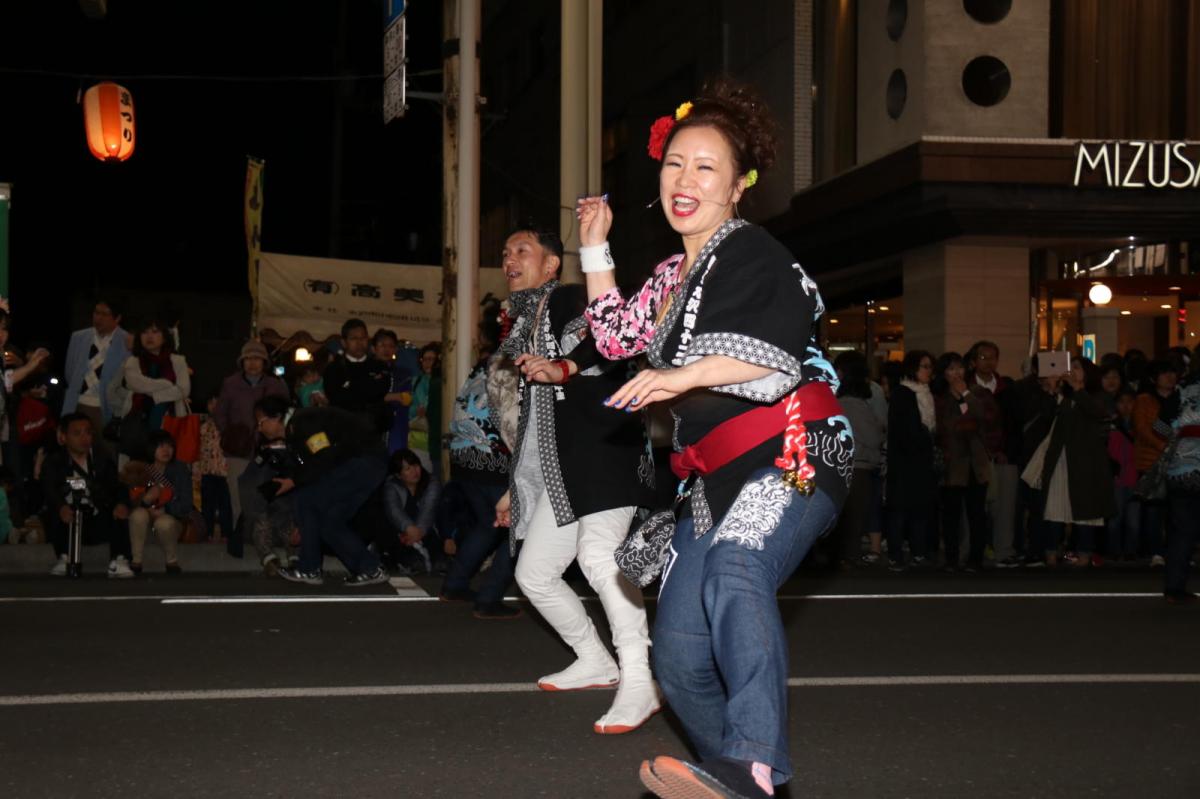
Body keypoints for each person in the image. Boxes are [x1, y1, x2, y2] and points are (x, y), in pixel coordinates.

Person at [578, 82, 852, 797]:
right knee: (677, 659)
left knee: (737, 565)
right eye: (674, 164)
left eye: (705, 167)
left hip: (794, 450)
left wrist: (678, 376)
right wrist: (594, 246)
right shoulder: (672, 276)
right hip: (713, 478)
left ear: (737, 187)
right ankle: (729, 780)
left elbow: (769, 360)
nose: (685, 179)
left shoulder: (756, 253)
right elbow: (614, 336)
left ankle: (751, 763)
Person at [495, 221, 658, 735]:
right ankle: (595, 659)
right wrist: (516, 487)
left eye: (521, 250)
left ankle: (641, 678)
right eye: (505, 253)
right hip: (564, 470)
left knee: (597, 557)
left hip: (606, 450)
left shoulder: (565, 298)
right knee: (534, 574)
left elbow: (606, 337)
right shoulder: (526, 322)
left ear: (550, 265)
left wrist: (564, 368)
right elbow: (538, 421)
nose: (509, 260)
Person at [439, 316, 522, 619]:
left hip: (464, 456)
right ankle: (489, 598)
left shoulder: (484, 363)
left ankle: (455, 584)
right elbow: (511, 419)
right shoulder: (512, 362)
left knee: (488, 524)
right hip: (493, 458)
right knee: (519, 530)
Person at [257, 397, 389, 587]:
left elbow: (323, 457)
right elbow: (317, 466)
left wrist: (293, 482)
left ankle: (309, 568)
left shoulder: (303, 422)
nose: (259, 428)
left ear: (276, 417)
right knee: (329, 521)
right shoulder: (297, 431)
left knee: (305, 499)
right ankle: (370, 568)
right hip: (368, 464)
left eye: (261, 422)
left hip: (363, 460)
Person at [1033, 358, 1115, 567]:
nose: (1072, 371)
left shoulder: (1098, 396)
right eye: (1071, 368)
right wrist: (1051, 391)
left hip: (1086, 463)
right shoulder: (1064, 396)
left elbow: (1097, 413)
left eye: (1077, 368)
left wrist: (1078, 389)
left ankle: (1084, 553)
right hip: (1060, 460)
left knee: (1086, 510)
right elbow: (1045, 419)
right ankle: (1051, 552)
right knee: (1054, 508)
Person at [42, 413, 133, 577]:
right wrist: (61, 506)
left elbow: (117, 487)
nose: (84, 438)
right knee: (55, 510)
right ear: (63, 437)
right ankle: (64, 557)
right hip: (69, 519)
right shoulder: (54, 462)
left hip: (96, 516)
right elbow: (49, 489)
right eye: (77, 434)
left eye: (88, 432)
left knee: (119, 510)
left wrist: (121, 504)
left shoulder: (102, 460)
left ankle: (119, 559)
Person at [214, 340, 289, 531]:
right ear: (242, 361)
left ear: (264, 362)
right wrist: (230, 435)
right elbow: (220, 413)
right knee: (238, 495)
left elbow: (285, 415)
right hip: (239, 449)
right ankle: (240, 535)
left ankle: (266, 534)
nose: (252, 363)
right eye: (248, 358)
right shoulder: (230, 383)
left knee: (266, 493)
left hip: (269, 449)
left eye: (257, 358)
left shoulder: (275, 385)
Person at [933, 352, 991, 571]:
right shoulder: (940, 398)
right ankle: (951, 558)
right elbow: (947, 427)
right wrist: (965, 421)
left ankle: (976, 558)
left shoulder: (977, 393)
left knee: (977, 514)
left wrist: (965, 394)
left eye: (959, 368)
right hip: (952, 463)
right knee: (951, 515)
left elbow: (981, 416)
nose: (956, 373)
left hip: (975, 463)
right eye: (951, 369)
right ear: (944, 373)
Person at [967, 340, 1021, 567]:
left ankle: (1003, 551)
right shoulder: (966, 387)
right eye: (983, 357)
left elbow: (1014, 424)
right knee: (972, 508)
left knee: (1004, 507)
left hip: (1003, 456)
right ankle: (970, 551)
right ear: (973, 361)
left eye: (992, 357)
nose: (988, 362)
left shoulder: (1007, 388)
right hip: (973, 456)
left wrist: (1004, 450)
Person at [885, 350, 938, 571]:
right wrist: (925, 436)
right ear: (913, 368)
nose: (929, 371)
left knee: (919, 509)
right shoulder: (903, 393)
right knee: (900, 510)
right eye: (924, 366)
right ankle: (895, 555)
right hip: (904, 462)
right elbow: (906, 431)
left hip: (921, 463)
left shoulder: (926, 394)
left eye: (930, 367)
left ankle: (918, 552)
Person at [833, 352, 885, 566]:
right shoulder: (857, 403)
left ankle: (842, 557)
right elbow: (874, 437)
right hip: (858, 465)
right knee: (855, 516)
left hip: (844, 463)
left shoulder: (840, 401)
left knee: (846, 516)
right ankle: (849, 557)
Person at [61, 299, 129, 463]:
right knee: (74, 453)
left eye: (105, 314)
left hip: (107, 407)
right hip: (78, 403)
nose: (99, 318)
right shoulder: (79, 337)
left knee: (107, 453)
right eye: (96, 313)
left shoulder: (127, 341)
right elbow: (70, 371)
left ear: (117, 318)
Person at [113, 316, 191, 459]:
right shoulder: (132, 361)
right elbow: (136, 384)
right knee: (140, 465)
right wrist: (167, 384)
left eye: (155, 332)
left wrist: (155, 396)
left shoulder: (178, 361)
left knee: (167, 464)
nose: (149, 336)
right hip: (138, 423)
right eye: (145, 332)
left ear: (165, 337)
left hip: (171, 421)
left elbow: (183, 389)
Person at [1160, 352, 1200, 604]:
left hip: (1180, 469)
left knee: (1182, 531)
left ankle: (1174, 587)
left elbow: (1158, 425)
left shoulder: (1181, 390)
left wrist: (1178, 435)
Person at [127, 430, 192, 575]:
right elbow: (129, 502)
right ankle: (136, 560)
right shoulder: (139, 470)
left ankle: (171, 560)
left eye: (169, 446)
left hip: (171, 520)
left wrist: (166, 509)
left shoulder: (180, 469)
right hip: (145, 520)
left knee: (164, 522)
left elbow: (186, 504)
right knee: (138, 514)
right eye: (161, 446)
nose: (166, 450)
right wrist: (146, 500)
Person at [1132, 361, 1176, 566]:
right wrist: (1162, 446)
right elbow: (1141, 428)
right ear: (1154, 378)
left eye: (1173, 373)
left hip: (1178, 461)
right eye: (1165, 373)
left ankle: (1176, 551)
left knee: (1176, 510)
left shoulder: (1181, 397)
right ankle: (1156, 551)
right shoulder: (1144, 400)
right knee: (1154, 508)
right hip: (1150, 460)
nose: (1170, 377)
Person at [380, 449, 443, 574]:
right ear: (398, 475)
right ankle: (408, 560)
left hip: (427, 529)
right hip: (404, 532)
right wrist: (409, 528)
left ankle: (438, 560)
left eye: (416, 465)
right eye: (407, 469)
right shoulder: (391, 485)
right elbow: (394, 510)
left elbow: (429, 510)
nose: (415, 471)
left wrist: (417, 532)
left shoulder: (431, 482)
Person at [322, 319, 391, 434]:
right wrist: (366, 386)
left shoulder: (379, 366)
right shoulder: (334, 368)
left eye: (363, 338)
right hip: (343, 430)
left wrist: (350, 386)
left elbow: (380, 392)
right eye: (354, 338)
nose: (359, 343)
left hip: (373, 430)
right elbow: (336, 397)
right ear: (344, 342)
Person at [1106, 388, 1139, 562]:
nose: (1126, 406)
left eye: (1130, 402)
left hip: (1135, 477)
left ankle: (1130, 551)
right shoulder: (1110, 424)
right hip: (1116, 477)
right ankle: (1114, 550)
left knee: (1133, 519)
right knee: (1115, 518)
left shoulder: (1140, 424)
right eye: (1122, 402)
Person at [370, 329, 415, 454]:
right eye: (382, 345)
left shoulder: (403, 374)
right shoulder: (366, 371)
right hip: (372, 425)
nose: (387, 349)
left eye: (391, 346)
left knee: (396, 459)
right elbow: (366, 396)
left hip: (397, 426)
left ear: (396, 349)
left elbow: (407, 398)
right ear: (373, 348)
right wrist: (394, 396)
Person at [197, 394, 233, 542]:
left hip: (226, 471)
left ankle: (226, 534)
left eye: (217, 403)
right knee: (207, 504)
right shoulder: (203, 425)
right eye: (211, 402)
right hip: (207, 471)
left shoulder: (230, 424)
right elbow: (199, 450)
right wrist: (197, 471)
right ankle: (208, 533)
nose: (214, 406)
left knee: (226, 504)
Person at [408, 344, 442, 472]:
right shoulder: (415, 381)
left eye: (431, 359)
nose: (428, 363)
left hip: (437, 435)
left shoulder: (444, 382)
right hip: (418, 437)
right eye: (425, 359)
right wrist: (415, 411)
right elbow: (408, 406)